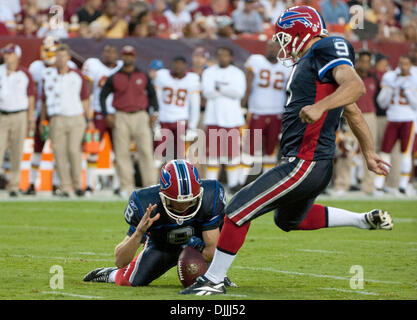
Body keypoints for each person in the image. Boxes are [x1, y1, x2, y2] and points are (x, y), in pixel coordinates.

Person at [180, 6, 393, 295]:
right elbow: (352, 111)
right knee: (287, 220)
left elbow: (355, 87)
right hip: (311, 162)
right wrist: (368, 153)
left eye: (284, 36)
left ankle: (214, 280)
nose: (281, 42)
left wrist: (319, 107)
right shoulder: (313, 61)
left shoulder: (327, 46)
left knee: (237, 210)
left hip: (305, 160)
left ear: (299, 32)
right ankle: (361, 220)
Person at [82, 160, 231, 287]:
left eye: (189, 201)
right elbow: (120, 260)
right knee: (129, 281)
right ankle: (111, 275)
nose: (184, 206)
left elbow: (212, 251)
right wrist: (139, 233)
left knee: (230, 223)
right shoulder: (145, 203)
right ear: (163, 195)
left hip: (197, 244)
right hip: (162, 245)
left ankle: (215, 275)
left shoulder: (211, 196)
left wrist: (193, 252)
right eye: (178, 202)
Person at [99, 45, 158, 198]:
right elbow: (103, 95)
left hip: (140, 115)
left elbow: (152, 94)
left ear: (134, 57)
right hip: (121, 115)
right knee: (121, 152)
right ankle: (127, 186)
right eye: (125, 55)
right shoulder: (115, 76)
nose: (127, 58)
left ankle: (150, 186)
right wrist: (107, 114)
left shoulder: (142, 75)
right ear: (122, 57)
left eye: (130, 55)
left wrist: (154, 112)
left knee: (145, 151)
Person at [25, 37, 78, 196]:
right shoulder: (37, 67)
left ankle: (57, 183)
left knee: (60, 150)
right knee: (38, 148)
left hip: (62, 112)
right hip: (43, 110)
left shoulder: (70, 69)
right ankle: (32, 182)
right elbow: (34, 93)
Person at [40, 44, 92, 197]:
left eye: (63, 56)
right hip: (56, 118)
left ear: (69, 58)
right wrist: (43, 120)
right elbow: (43, 100)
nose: (61, 59)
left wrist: (88, 119)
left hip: (76, 117)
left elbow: (85, 98)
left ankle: (77, 185)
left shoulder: (77, 75)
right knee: (59, 152)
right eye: (58, 56)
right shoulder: (48, 74)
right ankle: (64, 186)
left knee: (73, 151)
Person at [240, 40, 291, 186]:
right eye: (271, 47)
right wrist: (242, 107)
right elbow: (247, 87)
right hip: (257, 111)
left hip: (277, 112)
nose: (273, 49)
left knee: (271, 149)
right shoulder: (256, 61)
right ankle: (240, 181)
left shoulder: (286, 65)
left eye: (276, 47)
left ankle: (267, 182)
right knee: (249, 147)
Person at [202, 46, 246, 192]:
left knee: (232, 154)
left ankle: (233, 186)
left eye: (226, 55)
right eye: (220, 55)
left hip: (232, 119)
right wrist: (226, 90)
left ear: (231, 57)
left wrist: (218, 88)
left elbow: (238, 92)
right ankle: (211, 187)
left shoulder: (237, 73)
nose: (223, 58)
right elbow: (207, 92)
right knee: (213, 155)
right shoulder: (209, 72)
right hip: (213, 118)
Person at [82, 45, 122, 194]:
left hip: (116, 113)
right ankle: (89, 184)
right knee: (92, 149)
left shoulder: (121, 67)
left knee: (119, 151)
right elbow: (87, 90)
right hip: (98, 112)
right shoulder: (93, 64)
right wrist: (88, 115)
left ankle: (118, 185)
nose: (110, 54)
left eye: (112, 51)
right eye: (107, 51)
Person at [375, 55, 417, 196]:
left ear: (410, 65)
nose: (403, 66)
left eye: (406, 63)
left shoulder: (415, 76)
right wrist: (389, 90)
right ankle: (378, 185)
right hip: (392, 118)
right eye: (401, 63)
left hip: (408, 119)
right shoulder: (390, 76)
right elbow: (381, 103)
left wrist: (408, 92)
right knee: (385, 152)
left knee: (406, 154)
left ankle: (403, 186)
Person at [0, 44, 36, 197]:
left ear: (17, 56)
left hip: (19, 115)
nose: (7, 56)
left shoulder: (24, 74)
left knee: (16, 151)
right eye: (5, 53)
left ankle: (14, 185)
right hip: (1, 114)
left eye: (10, 53)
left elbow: (31, 97)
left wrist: (30, 119)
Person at [153, 56, 201, 162]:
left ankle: (180, 178)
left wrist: (192, 126)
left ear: (185, 66)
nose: (178, 66)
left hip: (181, 121)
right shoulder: (162, 75)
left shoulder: (192, 79)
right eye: (176, 63)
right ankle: (154, 178)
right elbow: (156, 100)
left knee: (181, 157)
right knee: (158, 155)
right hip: (163, 120)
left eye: (181, 64)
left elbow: (195, 106)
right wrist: (156, 120)